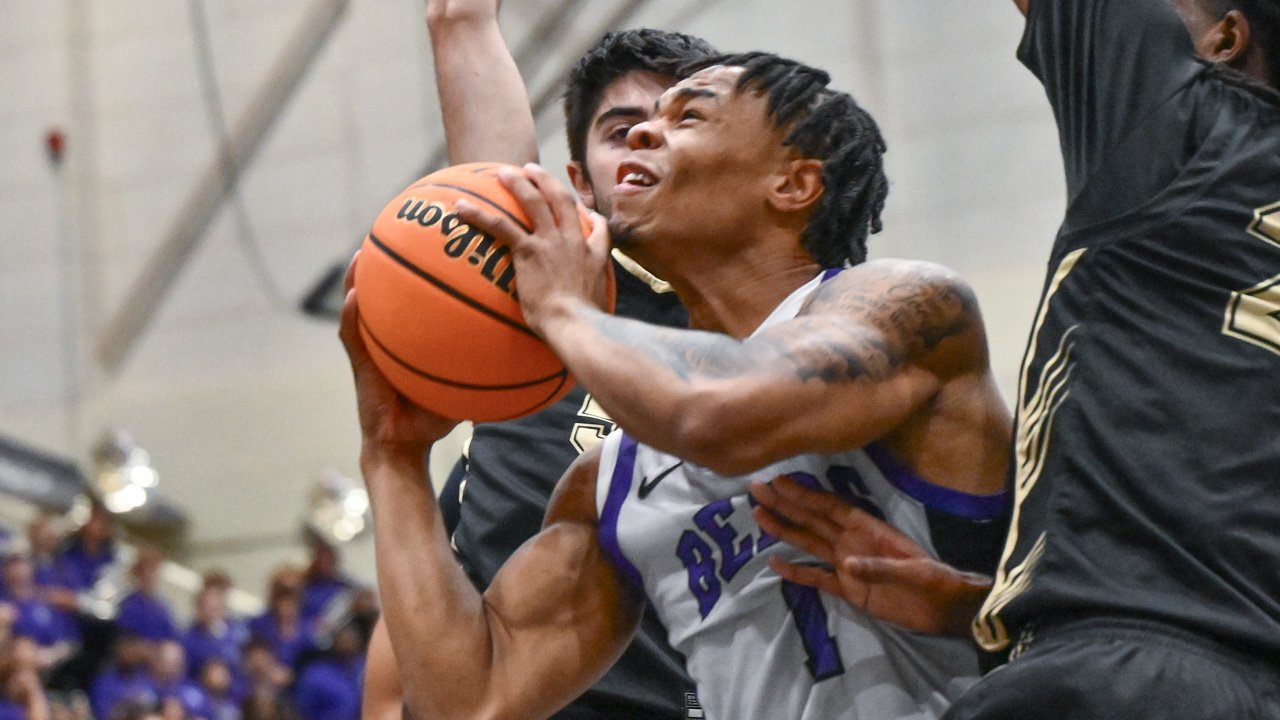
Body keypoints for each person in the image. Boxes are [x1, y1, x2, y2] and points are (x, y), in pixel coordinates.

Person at [344, 48, 1013, 719]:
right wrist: (393, 457)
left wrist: (561, 309)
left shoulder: (912, 306)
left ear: (792, 184)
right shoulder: (611, 480)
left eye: (689, 115)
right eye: (635, 123)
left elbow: (716, 418)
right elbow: (468, 700)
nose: (640, 132)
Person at [755, 0, 1280, 717]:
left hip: (1115, 679)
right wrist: (986, 610)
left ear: (1223, 36)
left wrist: (564, 307)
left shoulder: (1185, 120)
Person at [360, 4, 707, 719]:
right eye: (621, 130)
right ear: (579, 184)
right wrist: (461, 22)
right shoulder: (536, 288)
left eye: (681, 121)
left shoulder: (764, 334)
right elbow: (464, 36)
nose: (647, 136)